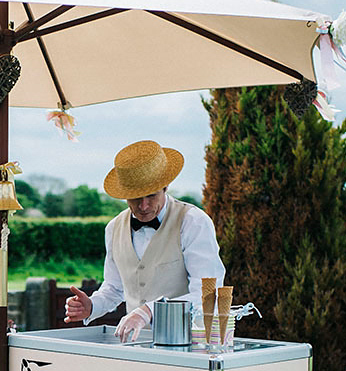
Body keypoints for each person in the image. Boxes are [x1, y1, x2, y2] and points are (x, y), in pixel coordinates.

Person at [65, 139, 226, 342]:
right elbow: (114, 288)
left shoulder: (193, 222)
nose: (143, 206)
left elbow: (207, 294)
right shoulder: (114, 228)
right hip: (135, 345)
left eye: (151, 196)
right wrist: (92, 306)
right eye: (135, 198)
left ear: (166, 187)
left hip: (189, 344)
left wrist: (149, 310)